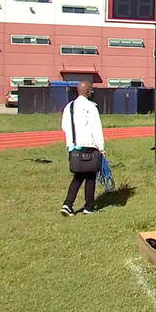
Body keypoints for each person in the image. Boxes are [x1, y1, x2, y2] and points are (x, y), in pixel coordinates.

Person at [60, 81, 104, 216]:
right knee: (90, 177)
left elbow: (64, 127)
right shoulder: (91, 107)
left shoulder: (69, 107)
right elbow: (96, 128)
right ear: (87, 92)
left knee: (78, 177)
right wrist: (101, 148)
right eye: (91, 90)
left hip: (74, 147)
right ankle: (89, 206)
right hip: (90, 146)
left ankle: (68, 204)